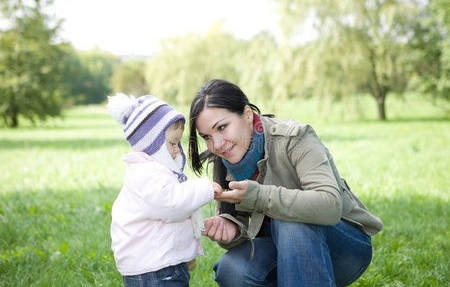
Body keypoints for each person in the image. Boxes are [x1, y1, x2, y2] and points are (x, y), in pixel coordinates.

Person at [188, 79, 383, 287]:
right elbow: (252, 226)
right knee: (232, 270)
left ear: (246, 115)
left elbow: (330, 205)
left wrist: (259, 196)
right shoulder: (226, 158)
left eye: (223, 127)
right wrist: (233, 228)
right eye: (206, 136)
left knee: (289, 220)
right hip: (284, 250)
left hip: (346, 249)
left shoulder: (295, 137)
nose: (216, 144)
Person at [107, 93, 222, 287]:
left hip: (156, 265)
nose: (177, 150)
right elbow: (172, 204)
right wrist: (204, 188)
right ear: (151, 143)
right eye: (172, 143)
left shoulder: (151, 172)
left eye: (177, 143)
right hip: (156, 270)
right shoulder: (147, 173)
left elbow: (167, 216)